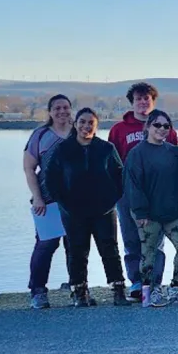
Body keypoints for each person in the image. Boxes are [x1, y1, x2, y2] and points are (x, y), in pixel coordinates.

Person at [44, 108, 130, 307]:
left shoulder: (106, 149)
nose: (86, 126)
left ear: (96, 125)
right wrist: (63, 201)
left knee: (109, 249)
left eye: (90, 122)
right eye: (82, 122)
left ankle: (118, 291)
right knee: (77, 251)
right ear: (75, 124)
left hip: (104, 210)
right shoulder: (63, 150)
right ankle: (80, 292)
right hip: (73, 211)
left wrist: (112, 199)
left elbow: (120, 176)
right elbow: (51, 178)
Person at [109, 82, 178, 301]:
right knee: (131, 239)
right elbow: (111, 162)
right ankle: (137, 282)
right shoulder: (119, 130)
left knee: (155, 240)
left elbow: (176, 160)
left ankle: (155, 282)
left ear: (153, 101)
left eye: (147, 98)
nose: (142, 102)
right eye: (138, 98)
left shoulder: (166, 128)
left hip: (158, 195)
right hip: (128, 195)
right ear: (132, 102)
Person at [124, 110, 178, 307]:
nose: (162, 129)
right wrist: (140, 212)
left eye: (166, 126)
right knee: (148, 254)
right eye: (157, 125)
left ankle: (174, 286)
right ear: (148, 127)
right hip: (148, 215)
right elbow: (132, 184)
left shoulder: (175, 153)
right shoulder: (137, 153)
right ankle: (149, 291)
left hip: (172, 213)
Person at [24, 94, 73, 309]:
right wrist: (37, 197)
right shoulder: (40, 135)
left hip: (76, 201)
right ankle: (38, 291)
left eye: (66, 107)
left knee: (76, 246)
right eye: (57, 108)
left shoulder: (78, 131)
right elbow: (29, 168)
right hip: (47, 199)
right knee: (46, 245)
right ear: (50, 111)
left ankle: (78, 288)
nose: (62, 111)